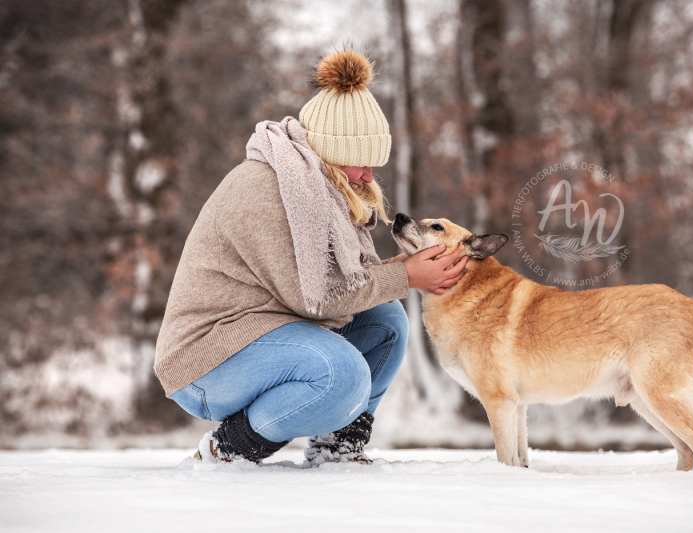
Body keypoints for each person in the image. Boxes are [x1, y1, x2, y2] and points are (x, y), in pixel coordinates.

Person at [153, 48, 468, 465]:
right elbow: (316, 300)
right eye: (361, 163)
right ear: (330, 149)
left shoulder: (316, 185)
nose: (369, 176)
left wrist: (406, 272)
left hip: (262, 331)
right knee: (342, 375)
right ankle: (228, 447)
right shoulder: (271, 189)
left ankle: (337, 447)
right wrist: (406, 277)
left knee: (386, 321)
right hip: (206, 361)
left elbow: (344, 284)